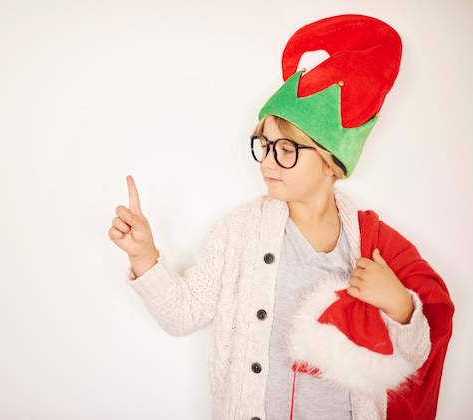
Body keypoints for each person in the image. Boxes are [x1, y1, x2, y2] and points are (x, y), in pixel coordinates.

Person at [108, 14, 454, 420]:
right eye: (264, 145)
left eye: (286, 149)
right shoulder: (239, 232)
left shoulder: (372, 246)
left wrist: (400, 307)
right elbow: (184, 316)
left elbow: (412, 361)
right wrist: (144, 257)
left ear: (331, 164)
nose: (268, 163)